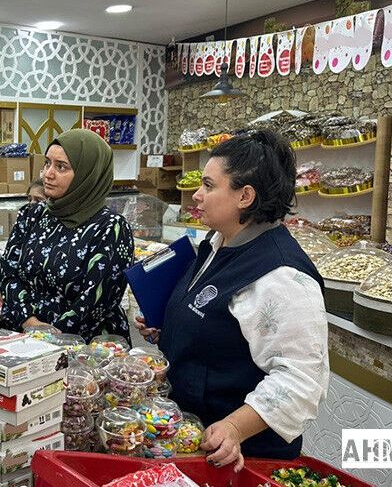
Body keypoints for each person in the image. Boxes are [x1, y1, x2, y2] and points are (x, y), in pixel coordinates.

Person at [136, 130, 329, 470]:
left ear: (245, 196)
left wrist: (235, 427)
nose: (196, 194)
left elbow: (301, 379)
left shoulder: (283, 276)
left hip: (244, 458)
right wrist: (171, 329)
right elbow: (216, 321)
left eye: (209, 186)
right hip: (191, 438)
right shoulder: (218, 242)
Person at [0, 129, 134, 342]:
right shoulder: (31, 215)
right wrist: (29, 322)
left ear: (87, 174)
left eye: (61, 167)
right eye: (47, 163)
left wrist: (48, 337)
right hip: (23, 337)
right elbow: (9, 273)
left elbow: (94, 303)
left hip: (86, 351)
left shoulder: (110, 228)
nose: (48, 174)